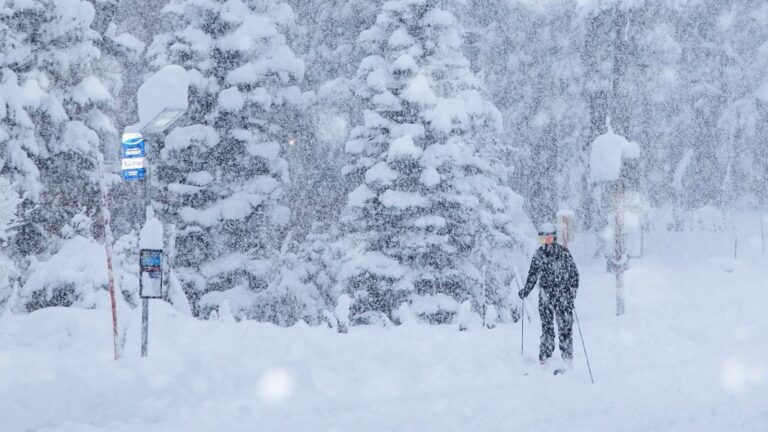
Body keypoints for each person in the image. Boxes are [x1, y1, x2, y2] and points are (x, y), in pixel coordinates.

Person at [519, 222, 579, 369]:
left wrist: (571, 292)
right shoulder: (539, 255)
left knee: (565, 328)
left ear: (554, 238)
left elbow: (574, 275)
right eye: (543, 239)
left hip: (563, 296)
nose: (546, 242)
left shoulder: (564, 253)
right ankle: (545, 355)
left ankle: (567, 358)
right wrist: (526, 290)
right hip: (546, 295)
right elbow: (533, 275)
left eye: (549, 238)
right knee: (547, 327)